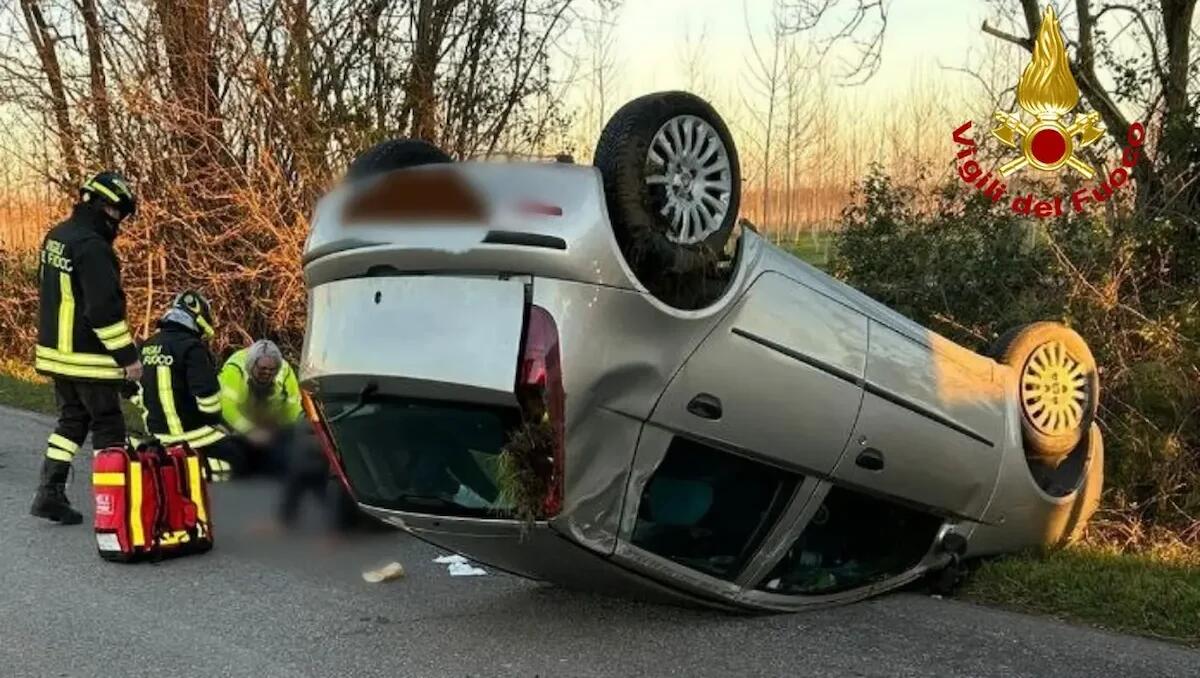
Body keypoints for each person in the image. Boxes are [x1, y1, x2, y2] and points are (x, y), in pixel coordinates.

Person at [31, 171, 142, 525]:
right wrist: (129, 359)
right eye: (118, 214)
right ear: (105, 206)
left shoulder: (57, 237)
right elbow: (103, 311)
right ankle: (116, 509)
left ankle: (49, 493)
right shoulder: (93, 248)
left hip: (56, 356)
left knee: (72, 421)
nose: (119, 222)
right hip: (88, 359)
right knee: (108, 426)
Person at [134, 290, 240, 479]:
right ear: (199, 318)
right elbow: (208, 401)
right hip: (193, 435)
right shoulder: (192, 347)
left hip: (158, 437)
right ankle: (219, 495)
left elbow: (131, 388)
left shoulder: (148, 345)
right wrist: (218, 422)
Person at [217, 339, 302, 475]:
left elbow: (293, 409)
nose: (267, 373)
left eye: (272, 370)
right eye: (262, 369)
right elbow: (227, 409)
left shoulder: (285, 372)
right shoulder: (235, 369)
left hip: (270, 427)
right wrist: (251, 431)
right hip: (237, 428)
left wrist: (279, 433)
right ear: (251, 366)